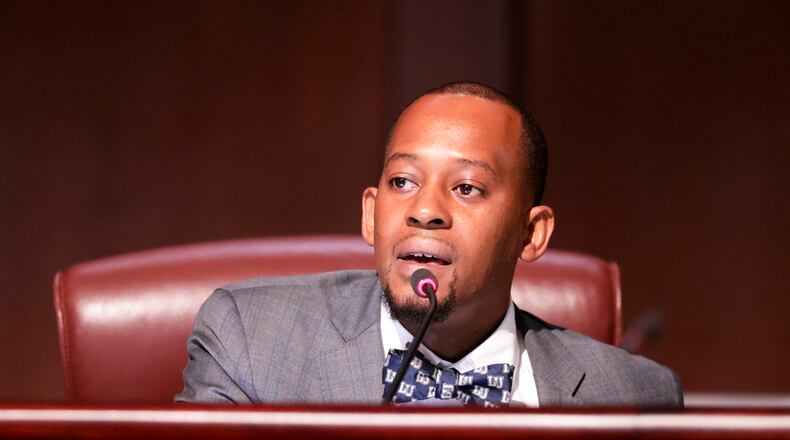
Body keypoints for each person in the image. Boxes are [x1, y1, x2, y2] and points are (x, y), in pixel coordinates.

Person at [175, 81, 683, 407]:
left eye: (466, 188)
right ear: (371, 215)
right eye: (402, 182)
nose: (425, 210)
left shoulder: (636, 396)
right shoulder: (252, 341)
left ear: (531, 235)